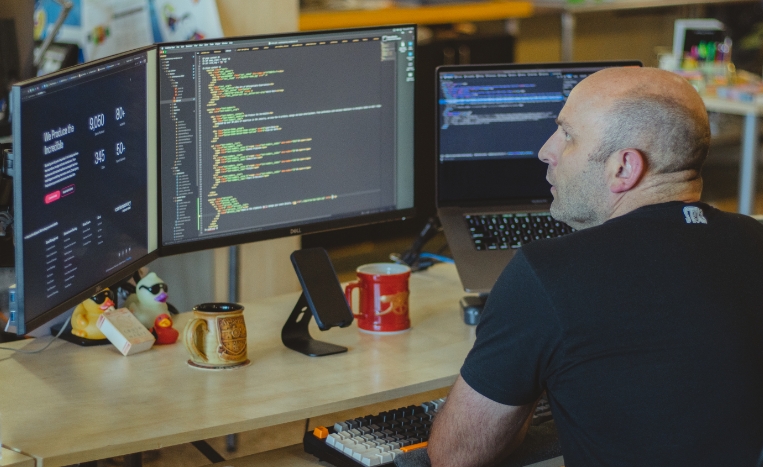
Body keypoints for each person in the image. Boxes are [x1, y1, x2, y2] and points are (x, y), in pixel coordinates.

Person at [427, 67, 763, 467]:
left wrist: (531, 378)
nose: (545, 151)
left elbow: (455, 456)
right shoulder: (754, 241)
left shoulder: (548, 273)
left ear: (624, 167)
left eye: (567, 135)